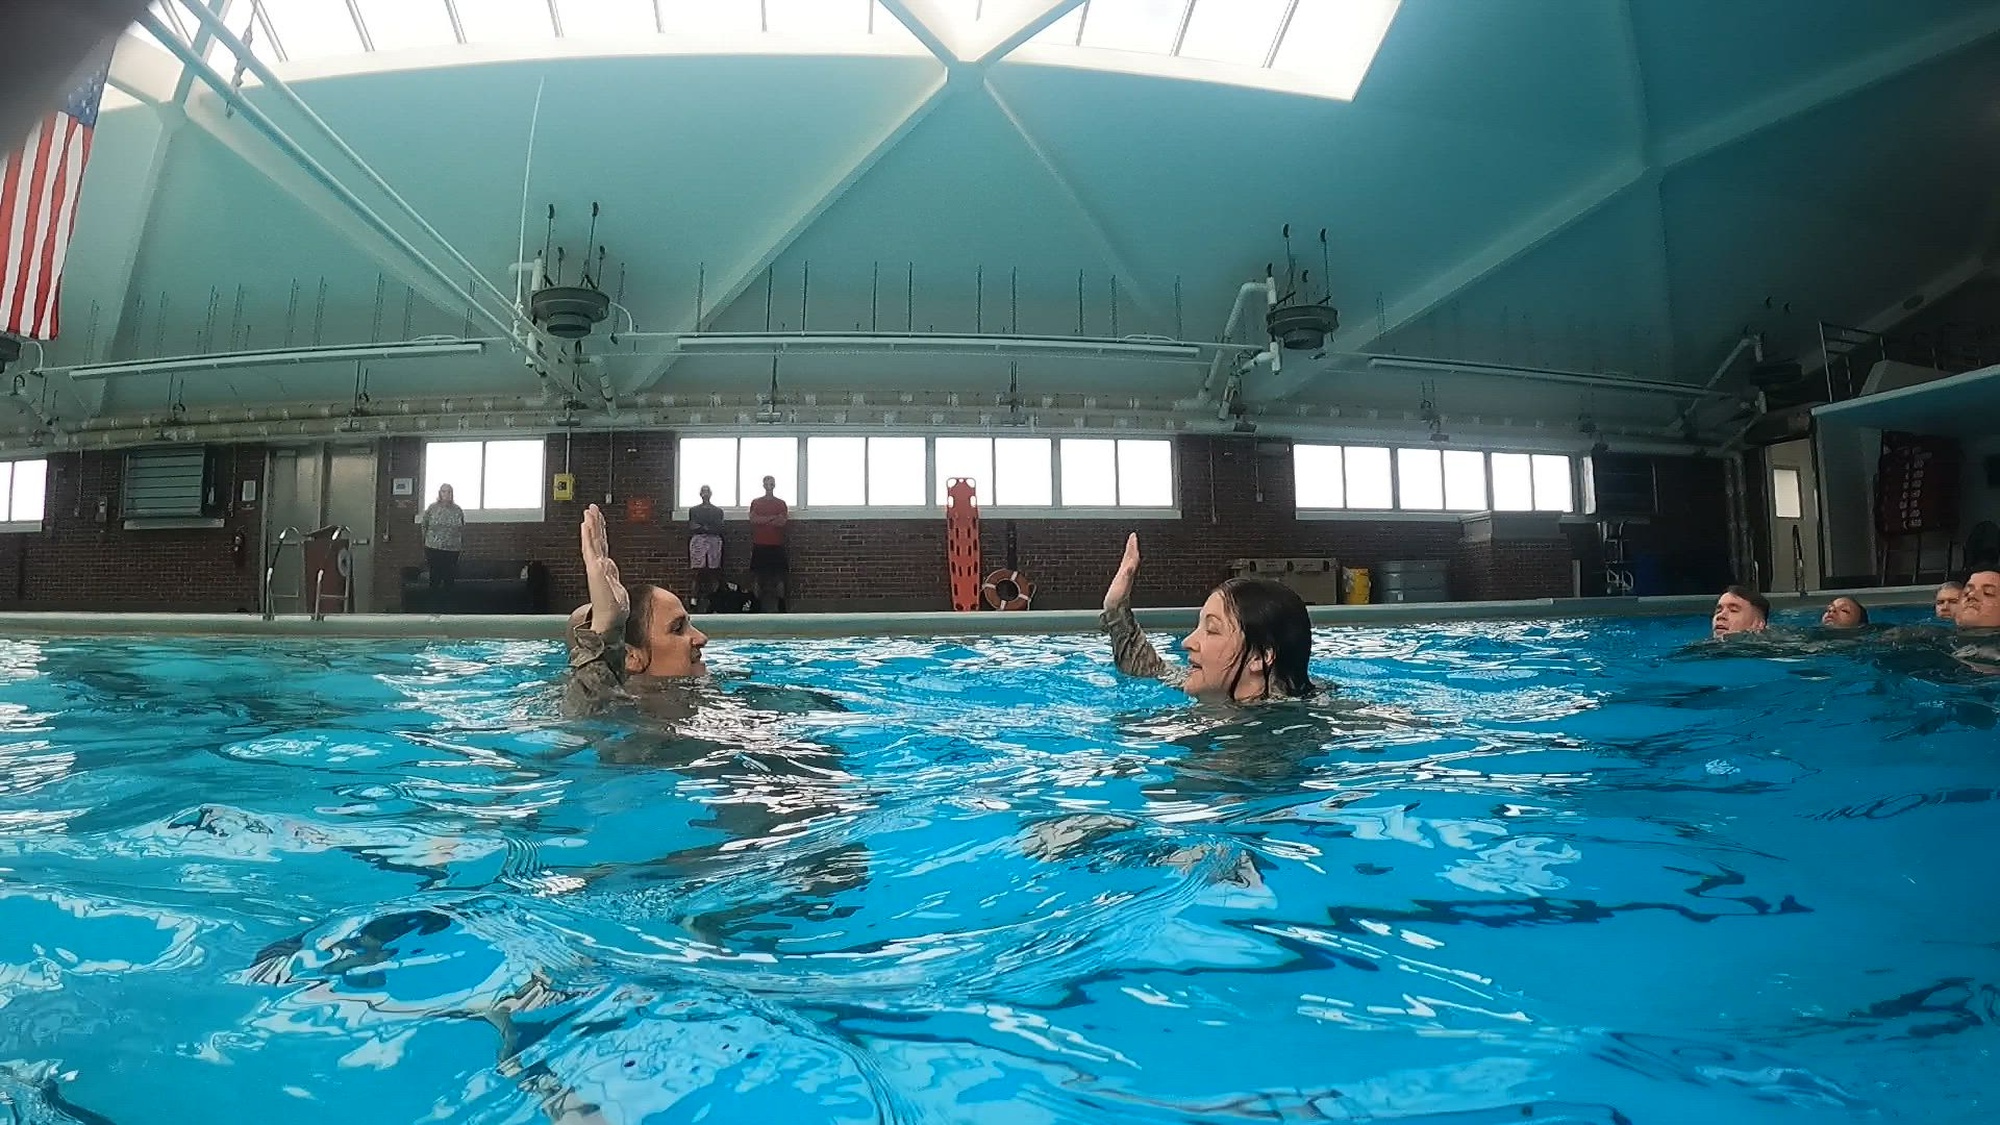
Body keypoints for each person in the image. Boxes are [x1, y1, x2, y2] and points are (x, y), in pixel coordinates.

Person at [1100, 533, 1316, 702]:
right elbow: (1152, 670)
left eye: (1211, 630)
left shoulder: (1298, 727)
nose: (1187, 642)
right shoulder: (1217, 684)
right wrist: (1115, 608)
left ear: (1260, 658)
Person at [564, 504, 708, 717]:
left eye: (688, 624)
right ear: (631, 656)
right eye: (677, 628)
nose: (702, 638)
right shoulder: (624, 718)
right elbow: (586, 720)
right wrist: (605, 628)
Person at [748, 475, 790, 613]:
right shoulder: (756, 502)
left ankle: (781, 607)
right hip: (760, 545)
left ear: (774, 485)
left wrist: (763, 520)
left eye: (771, 483)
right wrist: (772, 517)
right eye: (767, 483)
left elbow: (782, 522)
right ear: (763, 485)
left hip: (776, 545)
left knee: (779, 578)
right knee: (758, 577)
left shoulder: (781, 503)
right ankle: (756, 607)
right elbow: (754, 520)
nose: (769, 485)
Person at [416, 483, 466, 595]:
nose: (446, 494)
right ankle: (434, 601)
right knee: (435, 576)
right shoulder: (432, 508)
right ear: (440, 493)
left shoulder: (457, 510)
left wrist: (459, 544)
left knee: (449, 577)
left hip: (452, 549)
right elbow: (424, 525)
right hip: (434, 547)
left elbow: (461, 528)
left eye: (449, 492)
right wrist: (425, 541)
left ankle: (448, 602)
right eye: (444, 491)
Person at [688, 484, 725, 612]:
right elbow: (692, 525)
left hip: (714, 541)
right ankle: (694, 599)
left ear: (711, 493)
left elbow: (719, 527)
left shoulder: (717, 511)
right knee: (698, 571)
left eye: (707, 491)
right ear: (700, 494)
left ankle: (714, 600)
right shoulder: (694, 510)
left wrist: (704, 527)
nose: (705, 494)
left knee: (714, 571)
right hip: (699, 541)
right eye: (703, 491)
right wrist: (707, 528)